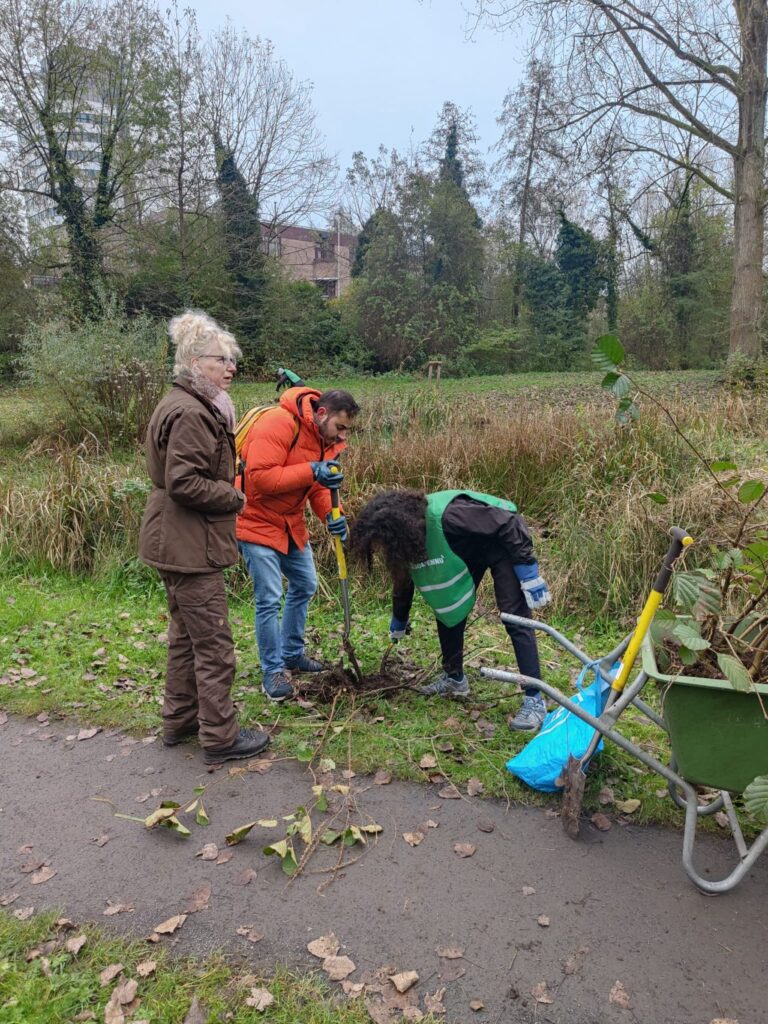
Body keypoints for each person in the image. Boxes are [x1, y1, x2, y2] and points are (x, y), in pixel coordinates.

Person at [139, 310, 270, 764]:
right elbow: (184, 482)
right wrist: (233, 496)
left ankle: (179, 722)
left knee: (185, 638)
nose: (231, 367)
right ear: (197, 362)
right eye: (223, 360)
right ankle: (219, 735)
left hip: (173, 539)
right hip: (188, 543)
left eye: (233, 360)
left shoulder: (181, 402)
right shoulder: (194, 412)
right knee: (214, 644)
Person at [351, 488, 551, 731]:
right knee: (448, 603)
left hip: (501, 544)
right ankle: (454, 679)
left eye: (384, 542)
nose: (384, 549)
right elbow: (405, 578)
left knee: (514, 617)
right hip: (467, 553)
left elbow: (508, 522)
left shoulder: (449, 516)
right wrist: (399, 617)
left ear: (398, 529)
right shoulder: (410, 540)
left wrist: (527, 568)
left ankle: (534, 699)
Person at [237, 385, 360, 701]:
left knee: (305, 583)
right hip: (254, 519)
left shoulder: (326, 439)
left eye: (348, 430)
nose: (342, 436)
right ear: (322, 414)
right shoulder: (278, 423)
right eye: (340, 427)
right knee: (269, 595)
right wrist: (311, 470)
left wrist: (333, 516)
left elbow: (319, 488)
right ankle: (273, 672)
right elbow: (260, 479)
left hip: (290, 523)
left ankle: (292, 654)